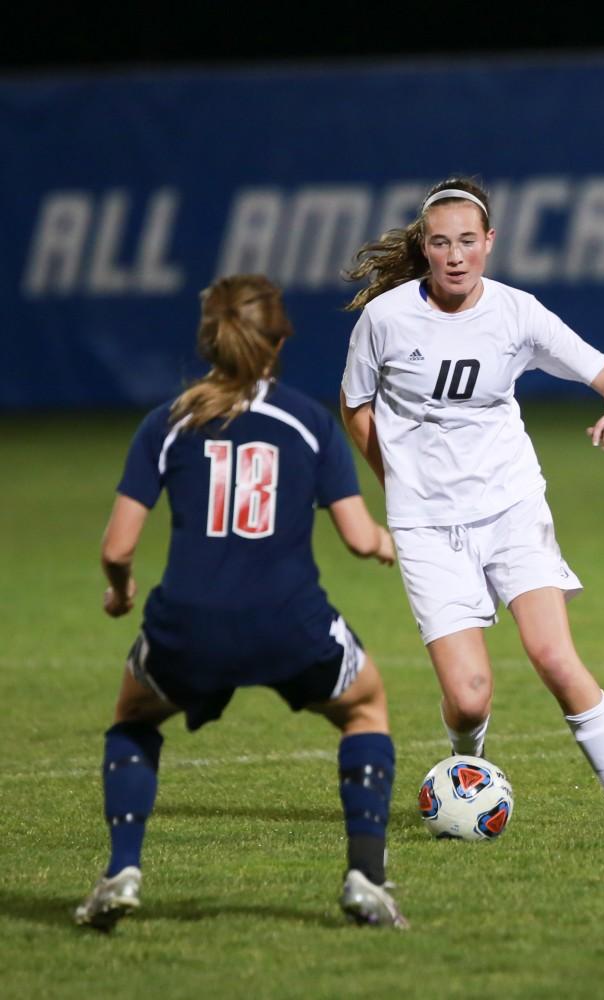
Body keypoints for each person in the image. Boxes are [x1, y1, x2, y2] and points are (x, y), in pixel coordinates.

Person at [75, 274, 409, 932]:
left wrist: (120, 593)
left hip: (188, 625)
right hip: (290, 622)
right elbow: (355, 535)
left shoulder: (167, 425)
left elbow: (117, 547)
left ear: (209, 341)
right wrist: (386, 545)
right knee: (365, 707)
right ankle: (366, 880)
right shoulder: (309, 421)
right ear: (280, 339)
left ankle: (122, 871)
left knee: (133, 717)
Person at [340, 176, 604, 830]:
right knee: (468, 697)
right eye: (441, 243)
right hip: (428, 528)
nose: (455, 254)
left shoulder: (518, 313)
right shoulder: (387, 317)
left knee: (553, 655)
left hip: (512, 510)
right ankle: (469, 771)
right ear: (424, 248)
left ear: (489, 243)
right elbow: (355, 406)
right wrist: (394, 482)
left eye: (468, 240)